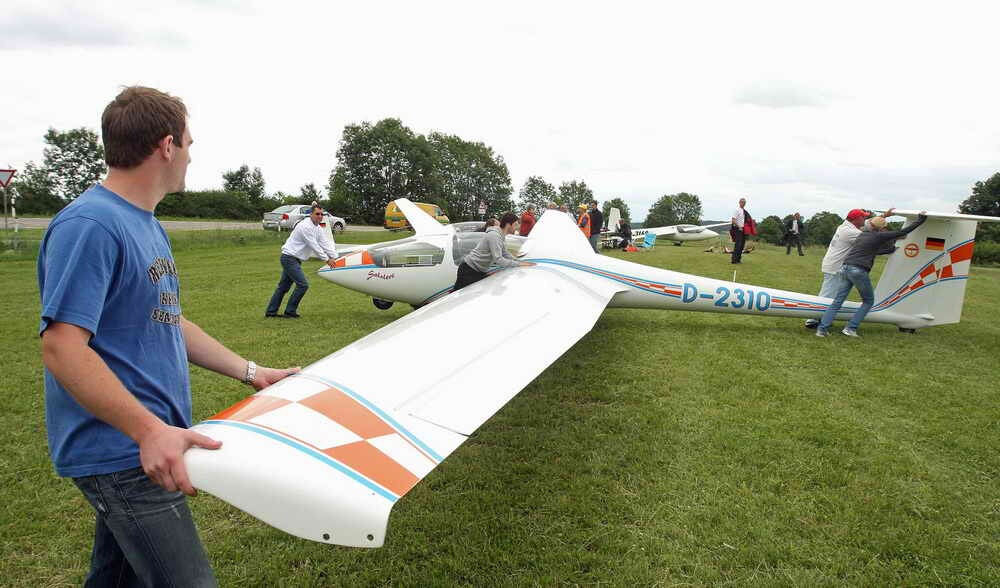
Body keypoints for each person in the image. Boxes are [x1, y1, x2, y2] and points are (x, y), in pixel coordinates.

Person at [37, 86, 299, 587]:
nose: (190, 155)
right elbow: (62, 346)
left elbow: (169, 321)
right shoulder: (91, 225)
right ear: (165, 145)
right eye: (189, 143)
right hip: (124, 451)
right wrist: (149, 431)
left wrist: (252, 372)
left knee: (116, 580)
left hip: (141, 445)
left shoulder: (145, 223)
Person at [816, 212, 926, 338]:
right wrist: (920, 220)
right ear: (882, 228)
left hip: (845, 268)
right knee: (868, 301)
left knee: (837, 301)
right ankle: (850, 328)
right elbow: (904, 232)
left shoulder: (862, 235)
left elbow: (872, 251)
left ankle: (821, 330)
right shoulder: (878, 236)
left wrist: (889, 250)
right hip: (858, 270)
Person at [804, 208, 894, 329]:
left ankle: (818, 318)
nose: (865, 219)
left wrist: (884, 216)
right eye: (863, 217)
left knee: (831, 294)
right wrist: (895, 236)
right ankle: (812, 319)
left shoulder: (845, 227)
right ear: (856, 219)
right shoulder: (851, 232)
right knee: (827, 295)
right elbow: (871, 234)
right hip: (836, 266)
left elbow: (869, 224)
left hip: (833, 264)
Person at [265, 204, 338, 318]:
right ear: (311, 214)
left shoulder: (317, 228)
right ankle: (289, 311)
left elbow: (325, 243)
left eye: (321, 214)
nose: (320, 216)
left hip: (295, 259)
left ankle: (271, 312)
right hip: (289, 258)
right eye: (317, 214)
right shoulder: (305, 226)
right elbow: (314, 245)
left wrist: (334, 256)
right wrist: (327, 259)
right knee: (303, 285)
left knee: (283, 287)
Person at [453, 212, 534, 291]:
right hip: (469, 270)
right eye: (516, 224)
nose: (517, 227)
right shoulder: (494, 235)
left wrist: (519, 261)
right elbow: (498, 259)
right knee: (460, 298)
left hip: (477, 270)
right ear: (508, 225)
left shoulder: (501, 236)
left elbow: (505, 253)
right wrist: (519, 264)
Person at [730, 197, 748, 264]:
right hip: (738, 229)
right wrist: (739, 227)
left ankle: (738, 259)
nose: (743, 203)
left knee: (742, 245)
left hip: (743, 230)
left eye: (744, 202)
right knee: (738, 245)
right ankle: (734, 260)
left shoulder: (744, 211)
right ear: (739, 202)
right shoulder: (737, 210)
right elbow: (733, 220)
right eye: (742, 202)